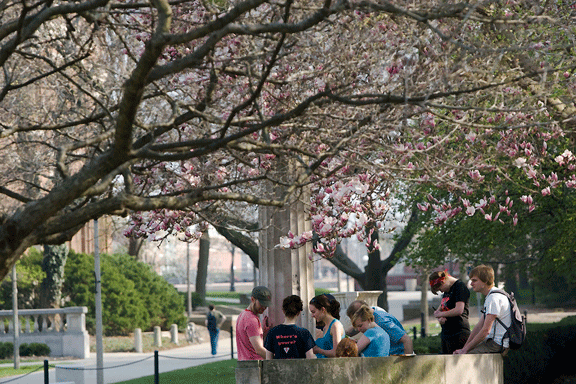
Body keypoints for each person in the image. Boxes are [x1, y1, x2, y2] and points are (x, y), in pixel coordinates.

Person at [454, 264, 511, 354]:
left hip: (497, 344)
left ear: (485, 281)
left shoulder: (493, 298)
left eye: (474, 280)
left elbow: (485, 331)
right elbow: (479, 326)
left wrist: (465, 350)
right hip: (494, 342)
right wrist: (464, 348)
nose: (471, 283)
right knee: (465, 352)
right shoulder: (492, 296)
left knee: (466, 357)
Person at [346, 300, 413, 355]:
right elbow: (352, 330)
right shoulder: (370, 318)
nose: (358, 329)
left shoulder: (382, 321)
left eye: (354, 319)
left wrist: (407, 366)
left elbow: (407, 340)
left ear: (361, 313)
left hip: (398, 357)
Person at [429, 270, 471, 354]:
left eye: (440, 289)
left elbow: (459, 310)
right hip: (446, 333)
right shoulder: (447, 290)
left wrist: (441, 314)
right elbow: (441, 308)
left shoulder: (459, 287)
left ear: (443, 282)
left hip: (458, 333)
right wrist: (440, 318)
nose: (441, 291)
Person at [264, 295, 316, 359]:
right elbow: (310, 358)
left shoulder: (272, 332)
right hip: (299, 369)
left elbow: (268, 360)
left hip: (279, 369)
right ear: (299, 312)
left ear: (283, 311)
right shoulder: (304, 333)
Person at [236, 285, 273, 360]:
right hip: (254, 365)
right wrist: (277, 360)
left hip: (244, 364)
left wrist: (263, 333)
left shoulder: (242, 314)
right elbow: (259, 350)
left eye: (266, 305)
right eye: (262, 304)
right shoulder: (252, 319)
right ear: (253, 299)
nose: (264, 307)